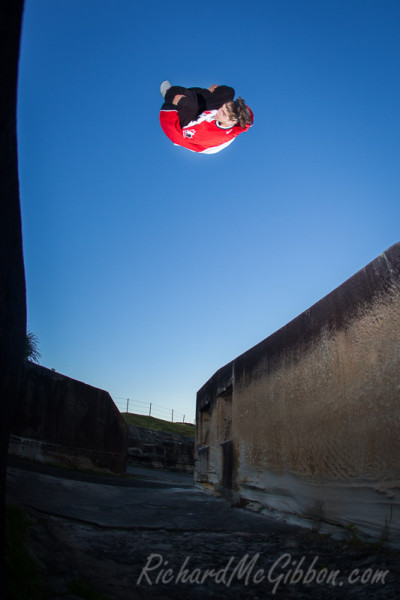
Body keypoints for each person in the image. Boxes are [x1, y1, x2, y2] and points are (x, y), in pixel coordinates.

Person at [159, 81, 253, 154]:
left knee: (187, 101)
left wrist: (174, 104)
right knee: (227, 92)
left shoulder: (205, 133)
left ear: (232, 121)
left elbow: (180, 135)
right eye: (221, 108)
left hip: (183, 130)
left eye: (223, 113)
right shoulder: (235, 118)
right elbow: (242, 112)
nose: (219, 112)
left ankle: (169, 95)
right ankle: (200, 98)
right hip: (204, 119)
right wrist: (210, 93)